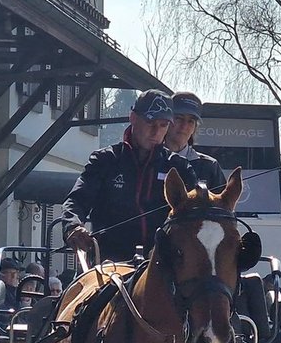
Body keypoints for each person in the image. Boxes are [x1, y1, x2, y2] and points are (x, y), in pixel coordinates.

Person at [63, 90, 188, 262]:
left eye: (163, 125)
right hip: (109, 263)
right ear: (133, 118)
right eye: (150, 122)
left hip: (163, 264)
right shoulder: (105, 160)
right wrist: (73, 226)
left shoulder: (179, 167)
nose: (156, 131)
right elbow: (77, 200)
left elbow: (198, 211)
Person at [162, 92, 227, 190]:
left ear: (195, 127)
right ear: (167, 120)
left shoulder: (209, 166)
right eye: (179, 118)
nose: (184, 126)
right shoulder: (150, 158)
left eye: (190, 121)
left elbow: (224, 199)